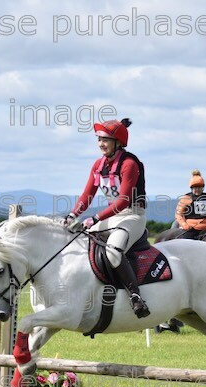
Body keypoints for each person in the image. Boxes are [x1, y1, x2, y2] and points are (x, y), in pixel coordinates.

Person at [63, 118, 149, 318]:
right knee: (80, 242)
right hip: (111, 216)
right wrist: (72, 215)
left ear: (117, 142)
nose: (101, 144)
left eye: (105, 140)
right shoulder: (98, 165)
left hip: (132, 216)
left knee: (113, 252)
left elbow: (124, 202)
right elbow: (87, 195)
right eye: (99, 139)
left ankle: (136, 296)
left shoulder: (129, 164)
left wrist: (94, 218)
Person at [175, 170, 206, 240]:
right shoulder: (186, 198)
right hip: (191, 229)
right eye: (195, 187)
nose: (197, 189)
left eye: (199, 187)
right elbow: (178, 214)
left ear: (202, 188)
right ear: (191, 188)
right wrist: (184, 224)